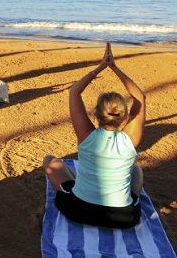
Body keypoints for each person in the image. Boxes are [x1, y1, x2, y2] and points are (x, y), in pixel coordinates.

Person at [43, 42, 146, 229]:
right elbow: (140, 96)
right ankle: (133, 197)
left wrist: (100, 67)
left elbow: (74, 91)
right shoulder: (131, 139)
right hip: (123, 218)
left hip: (79, 211)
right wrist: (115, 67)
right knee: (137, 169)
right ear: (124, 116)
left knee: (50, 160)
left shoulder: (86, 135)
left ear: (96, 113)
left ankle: (76, 184)